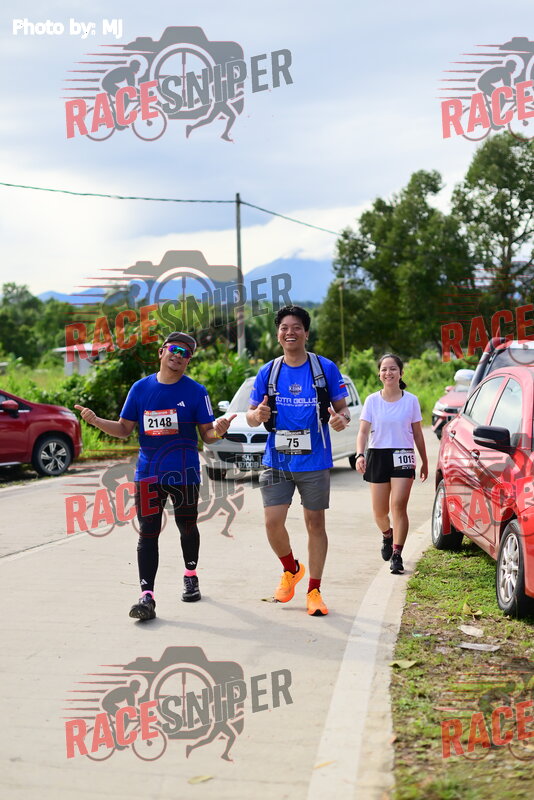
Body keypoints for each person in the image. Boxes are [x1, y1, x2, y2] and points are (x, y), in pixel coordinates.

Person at [74, 331, 235, 620]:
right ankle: (146, 596)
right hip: (148, 474)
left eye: (186, 353)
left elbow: (208, 435)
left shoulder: (196, 392)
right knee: (148, 532)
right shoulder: (140, 389)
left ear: (189, 361)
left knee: (187, 527)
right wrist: (96, 421)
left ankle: (190, 575)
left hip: (184, 473)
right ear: (161, 351)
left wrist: (219, 431)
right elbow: (124, 429)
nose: (179, 356)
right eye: (174, 349)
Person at [247, 305, 350, 616]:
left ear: (306, 332)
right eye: (284, 328)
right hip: (276, 460)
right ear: (278, 334)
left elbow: (342, 409)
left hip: (315, 460)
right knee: (272, 522)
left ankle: (314, 590)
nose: (289, 332)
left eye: (296, 327)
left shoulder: (324, 368)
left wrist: (341, 420)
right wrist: (257, 414)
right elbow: (251, 416)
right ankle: (291, 568)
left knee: (315, 523)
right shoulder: (268, 372)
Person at [355, 353, 428, 574]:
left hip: (403, 454)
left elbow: (418, 434)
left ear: (401, 373)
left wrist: (424, 461)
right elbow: (363, 432)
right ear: (379, 374)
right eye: (384, 369)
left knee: (398, 505)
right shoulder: (372, 401)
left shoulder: (411, 400)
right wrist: (360, 455)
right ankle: (388, 535)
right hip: (377, 455)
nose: (389, 373)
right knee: (380, 512)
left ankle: (397, 554)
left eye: (393, 368)